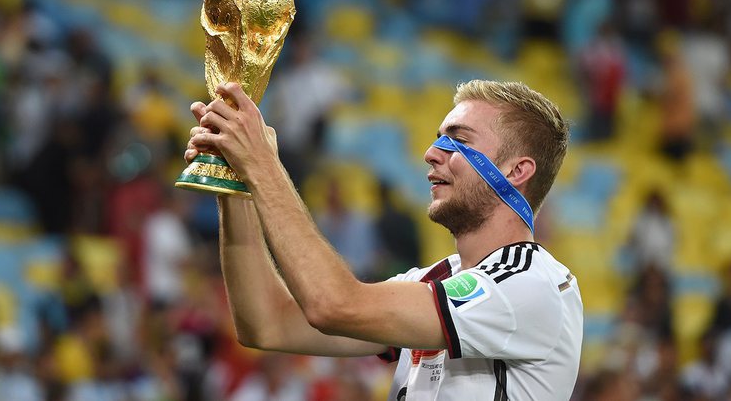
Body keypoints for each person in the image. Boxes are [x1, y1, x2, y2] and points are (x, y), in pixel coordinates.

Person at [184, 79, 583, 400]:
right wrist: (234, 181)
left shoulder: (530, 284)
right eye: (438, 137)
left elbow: (335, 305)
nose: (431, 152)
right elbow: (268, 325)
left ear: (517, 171)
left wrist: (263, 166)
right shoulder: (433, 281)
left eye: (459, 140)